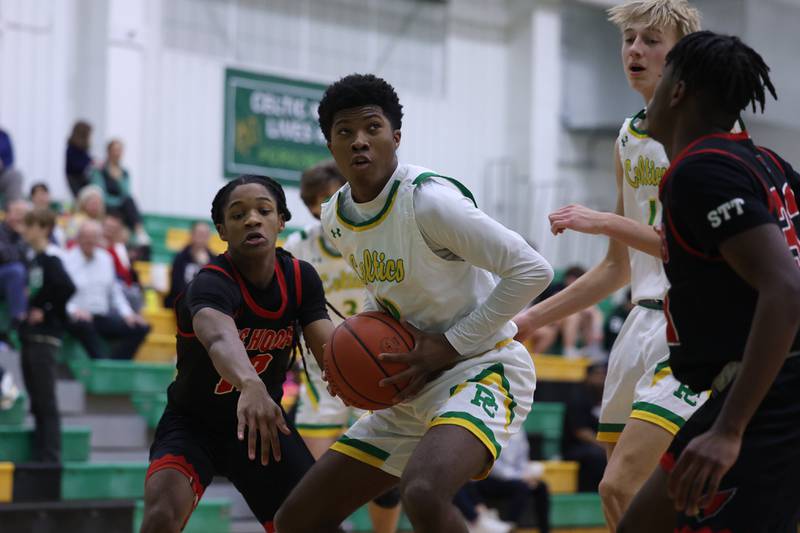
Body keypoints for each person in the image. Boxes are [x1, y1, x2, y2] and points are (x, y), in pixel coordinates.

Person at [275, 74, 553, 533]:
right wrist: (355, 352)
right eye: (345, 133)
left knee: (423, 493)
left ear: (396, 136)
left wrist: (450, 345)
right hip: (410, 378)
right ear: (330, 145)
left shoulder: (430, 202)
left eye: (372, 128)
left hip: (482, 366)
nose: (359, 142)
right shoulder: (336, 217)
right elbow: (380, 292)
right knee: (296, 519)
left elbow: (533, 270)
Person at [513, 1, 704, 528]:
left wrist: (604, 221)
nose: (635, 50)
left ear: (681, 53)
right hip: (638, 326)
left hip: (685, 322)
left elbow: (694, 245)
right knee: (623, 499)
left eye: (651, 40)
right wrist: (529, 319)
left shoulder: (701, 126)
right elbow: (617, 268)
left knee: (621, 488)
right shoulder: (628, 135)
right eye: (629, 40)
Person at [618, 31, 800, 533]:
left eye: (663, 82)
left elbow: (786, 289)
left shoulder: (701, 172)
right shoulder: (769, 165)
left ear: (677, 91)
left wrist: (729, 429)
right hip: (760, 389)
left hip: (769, 395)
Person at [139, 175, 334, 533]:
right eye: (238, 214)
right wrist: (250, 383)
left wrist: (355, 374)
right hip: (194, 424)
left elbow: (328, 349)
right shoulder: (210, 281)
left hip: (264, 428)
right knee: (161, 515)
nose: (252, 219)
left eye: (264, 210)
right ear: (222, 230)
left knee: (318, 523)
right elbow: (218, 339)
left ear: (281, 221)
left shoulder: (301, 277)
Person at [284, 160, 401, 533]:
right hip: (321, 375)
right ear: (309, 206)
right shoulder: (297, 246)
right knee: (312, 485)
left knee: (385, 480)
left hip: (375, 370)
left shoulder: (374, 240)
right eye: (319, 200)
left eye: (335, 195)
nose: (328, 204)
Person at [19, 208, 75, 462]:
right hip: (32, 336)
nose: (25, 231)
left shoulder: (52, 257)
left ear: (43, 228)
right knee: (37, 401)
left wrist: (44, 307)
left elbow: (65, 286)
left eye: (30, 226)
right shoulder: (35, 258)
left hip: (46, 337)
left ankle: (51, 457)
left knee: (46, 400)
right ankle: (41, 454)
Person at [63, 220, 150, 360]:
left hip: (101, 316)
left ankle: (115, 365)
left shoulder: (106, 259)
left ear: (99, 239)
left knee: (140, 328)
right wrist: (73, 310)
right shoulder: (66, 260)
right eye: (86, 237)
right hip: (75, 317)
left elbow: (115, 292)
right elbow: (59, 294)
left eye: (93, 238)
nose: (89, 241)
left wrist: (128, 314)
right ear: (78, 238)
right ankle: (101, 363)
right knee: (84, 326)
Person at [90, 139, 149, 245]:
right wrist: (117, 202)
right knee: (127, 202)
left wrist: (119, 179)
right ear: (108, 152)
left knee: (129, 200)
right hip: (106, 205)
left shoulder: (124, 172)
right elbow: (99, 193)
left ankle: (139, 231)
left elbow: (126, 192)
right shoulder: (99, 170)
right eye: (115, 150)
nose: (117, 153)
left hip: (121, 208)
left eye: (120, 150)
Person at [561, 363, 607, 492]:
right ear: (588, 376)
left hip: (596, 445)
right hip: (574, 448)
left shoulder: (605, 397)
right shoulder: (577, 397)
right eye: (597, 375)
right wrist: (603, 445)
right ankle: (593, 492)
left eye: (604, 375)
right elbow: (581, 432)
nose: (601, 379)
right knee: (597, 455)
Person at [0, 200, 31, 340]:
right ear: (7, 214)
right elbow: (6, 256)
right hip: (4, 277)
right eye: (17, 213)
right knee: (16, 270)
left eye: (24, 215)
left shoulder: (28, 234)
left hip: (18, 282)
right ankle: (19, 320)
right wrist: (23, 240)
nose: (20, 218)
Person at [164, 221, 212, 309]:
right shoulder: (181, 257)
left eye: (205, 234)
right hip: (183, 300)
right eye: (199, 234)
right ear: (192, 235)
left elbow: (215, 286)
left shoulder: (213, 259)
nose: (202, 237)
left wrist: (205, 265)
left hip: (205, 301)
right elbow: (176, 286)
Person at [65, 121, 93, 198]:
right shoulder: (72, 149)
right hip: (75, 178)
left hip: (81, 178)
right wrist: (90, 162)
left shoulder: (82, 149)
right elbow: (77, 165)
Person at [0, 127, 24, 206]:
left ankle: (14, 210)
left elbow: (10, 161)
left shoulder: (3, 135)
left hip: (2, 173)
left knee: (15, 175)